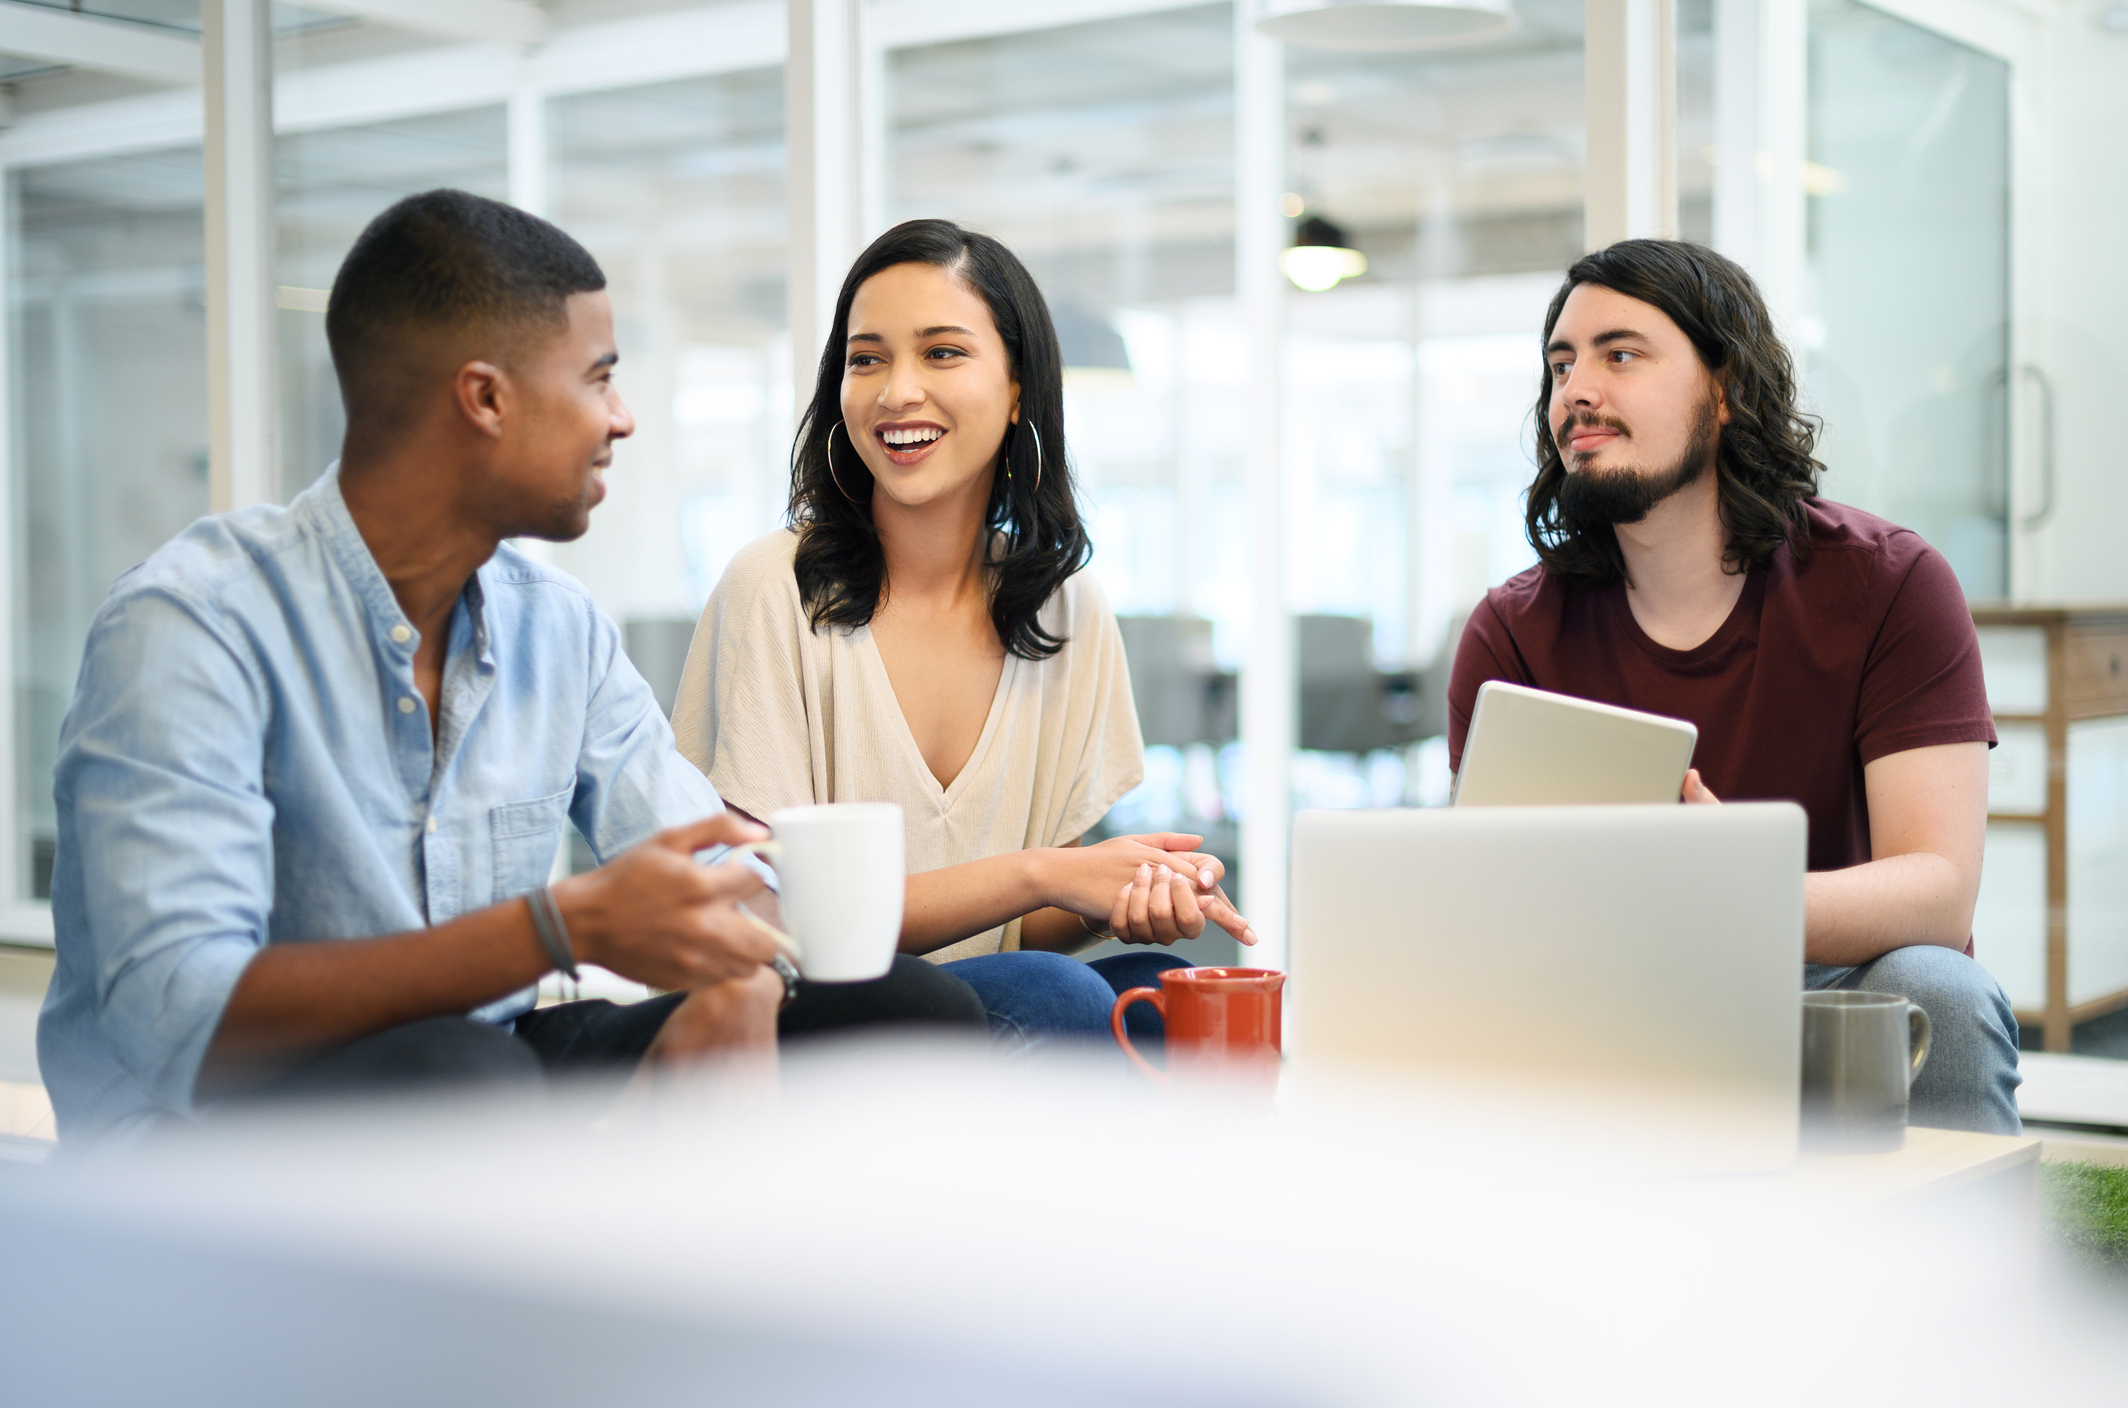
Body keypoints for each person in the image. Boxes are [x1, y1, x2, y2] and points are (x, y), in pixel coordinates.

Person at [36, 190, 985, 1150]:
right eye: (599, 379)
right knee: (458, 1074)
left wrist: (744, 968)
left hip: (480, 1068)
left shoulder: (556, 627)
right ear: (486, 398)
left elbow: (707, 864)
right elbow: (177, 1019)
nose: (621, 420)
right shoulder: (194, 625)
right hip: (207, 1126)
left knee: (898, 1015)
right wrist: (552, 929)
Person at [1446, 238, 2018, 1133]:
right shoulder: (1510, 633)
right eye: (1561, 366)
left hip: (1822, 981)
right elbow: (1493, 907)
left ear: (1726, 389)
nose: (1576, 392)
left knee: (1935, 988)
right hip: (1611, 992)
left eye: (1620, 354)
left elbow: (1938, 893)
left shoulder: (1890, 583)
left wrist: (1734, 894)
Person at [672, 219, 1254, 1047]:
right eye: (866, 359)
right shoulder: (776, 586)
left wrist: (1121, 895)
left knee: (1175, 997)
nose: (896, 391)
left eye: (941, 353)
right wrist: (1044, 871)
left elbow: (1020, 934)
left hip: (999, 1001)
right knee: (1055, 998)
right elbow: (773, 915)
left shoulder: (1065, 607)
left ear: (1019, 387)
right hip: (807, 1017)